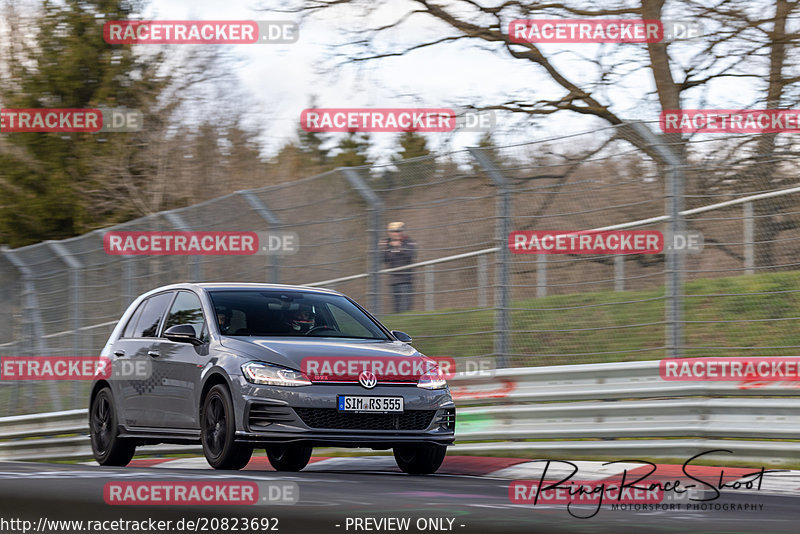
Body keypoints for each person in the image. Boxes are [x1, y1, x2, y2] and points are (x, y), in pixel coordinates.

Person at [381, 221, 417, 313]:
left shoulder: (408, 242)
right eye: (393, 231)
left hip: (406, 280)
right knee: (396, 310)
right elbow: (383, 260)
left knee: (405, 309)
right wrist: (383, 249)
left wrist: (400, 248)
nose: (396, 233)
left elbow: (411, 255)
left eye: (398, 231)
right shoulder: (387, 244)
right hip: (394, 281)